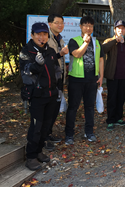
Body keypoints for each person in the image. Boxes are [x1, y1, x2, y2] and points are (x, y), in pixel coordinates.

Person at [19, 22, 61, 170]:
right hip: (37, 96)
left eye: (44, 34)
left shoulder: (49, 51)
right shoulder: (26, 51)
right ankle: (30, 157)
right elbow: (26, 72)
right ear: (32, 35)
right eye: (38, 34)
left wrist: (58, 87)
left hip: (51, 94)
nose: (41, 37)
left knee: (46, 126)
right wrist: (36, 65)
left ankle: (38, 151)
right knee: (36, 127)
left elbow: (56, 70)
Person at [65, 16, 104, 144]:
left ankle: (89, 132)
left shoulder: (96, 42)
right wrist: (86, 42)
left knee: (89, 107)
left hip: (92, 80)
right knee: (73, 107)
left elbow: (100, 59)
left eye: (91, 26)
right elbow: (76, 54)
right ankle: (69, 135)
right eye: (86, 25)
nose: (88, 28)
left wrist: (101, 76)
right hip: (76, 79)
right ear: (80, 26)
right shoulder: (73, 41)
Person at [46, 14, 69, 146]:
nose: (59, 25)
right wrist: (60, 54)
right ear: (50, 24)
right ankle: (44, 137)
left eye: (61, 23)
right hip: (49, 80)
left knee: (54, 108)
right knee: (48, 108)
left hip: (58, 79)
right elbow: (47, 59)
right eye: (56, 22)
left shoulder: (59, 39)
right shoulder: (47, 38)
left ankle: (48, 133)